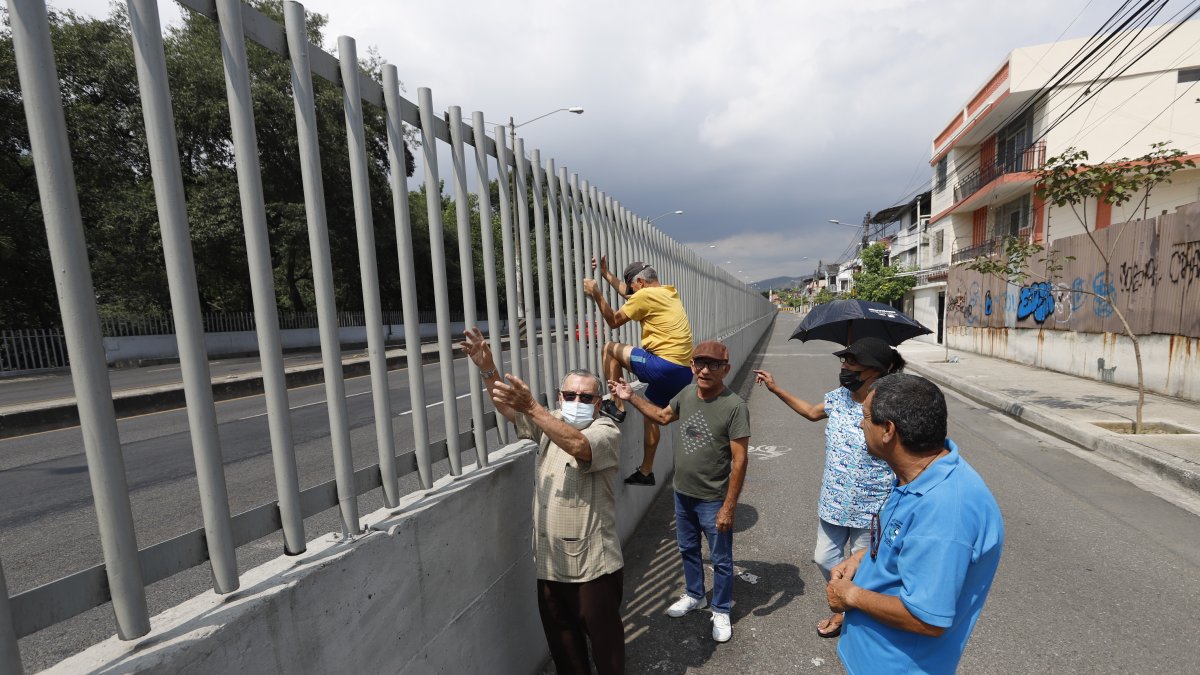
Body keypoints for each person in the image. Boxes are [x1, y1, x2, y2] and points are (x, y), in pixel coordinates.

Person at [459, 327, 625, 675]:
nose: (576, 402)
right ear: (560, 396)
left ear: (598, 403)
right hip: (550, 565)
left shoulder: (605, 431)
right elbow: (509, 408)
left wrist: (534, 407)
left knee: (608, 656)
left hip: (592, 568)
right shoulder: (551, 423)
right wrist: (488, 369)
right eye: (570, 395)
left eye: (585, 398)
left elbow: (580, 447)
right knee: (565, 652)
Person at [827, 373, 1004, 674]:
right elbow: (904, 546)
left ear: (888, 430)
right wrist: (860, 559)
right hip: (871, 656)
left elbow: (927, 618)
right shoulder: (921, 472)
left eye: (866, 417)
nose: (860, 424)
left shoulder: (945, 509)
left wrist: (850, 595)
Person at [752, 336, 903, 639]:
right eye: (843, 361)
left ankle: (855, 617)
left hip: (872, 505)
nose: (844, 367)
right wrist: (775, 388)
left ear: (873, 370)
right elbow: (810, 412)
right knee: (824, 558)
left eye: (851, 362)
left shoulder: (889, 406)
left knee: (864, 569)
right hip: (834, 500)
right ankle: (845, 605)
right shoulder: (838, 397)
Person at [610, 339, 749, 644]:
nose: (705, 370)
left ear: (725, 369)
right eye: (700, 363)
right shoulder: (686, 393)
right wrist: (630, 396)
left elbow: (740, 460)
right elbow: (661, 417)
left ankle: (721, 608)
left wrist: (729, 506)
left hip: (713, 498)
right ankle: (695, 594)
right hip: (682, 493)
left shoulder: (734, 406)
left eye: (714, 365)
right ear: (691, 366)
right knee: (687, 549)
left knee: (721, 559)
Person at [584, 257, 694, 488]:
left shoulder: (644, 295)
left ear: (641, 283)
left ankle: (617, 405)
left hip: (663, 366)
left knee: (609, 349)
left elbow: (613, 321)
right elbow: (630, 294)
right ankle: (646, 471)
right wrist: (607, 274)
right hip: (684, 371)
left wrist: (596, 292)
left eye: (633, 287)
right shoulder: (668, 292)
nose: (631, 294)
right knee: (651, 415)